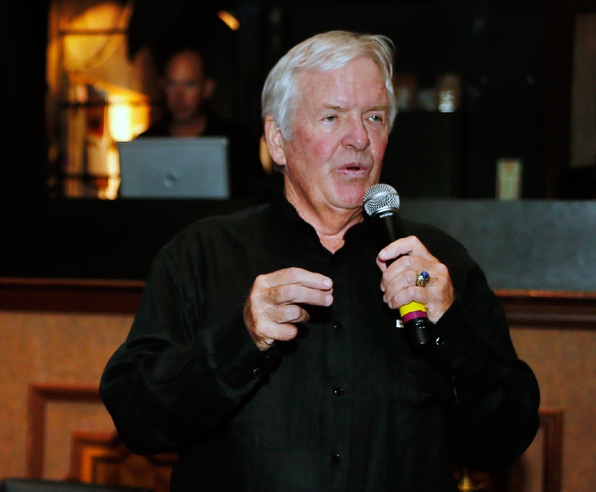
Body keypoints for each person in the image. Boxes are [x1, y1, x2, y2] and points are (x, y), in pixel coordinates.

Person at [101, 31, 540, 491]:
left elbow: (504, 441)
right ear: (277, 140)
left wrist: (452, 331)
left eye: (375, 117)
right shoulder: (202, 255)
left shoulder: (439, 265)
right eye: (332, 117)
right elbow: (137, 418)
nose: (359, 139)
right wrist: (240, 341)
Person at [138, 46, 271, 199]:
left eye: (189, 84)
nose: (179, 96)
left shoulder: (237, 142)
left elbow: (257, 198)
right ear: (162, 87)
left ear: (207, 88)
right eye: (172, 84)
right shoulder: (145, 144)